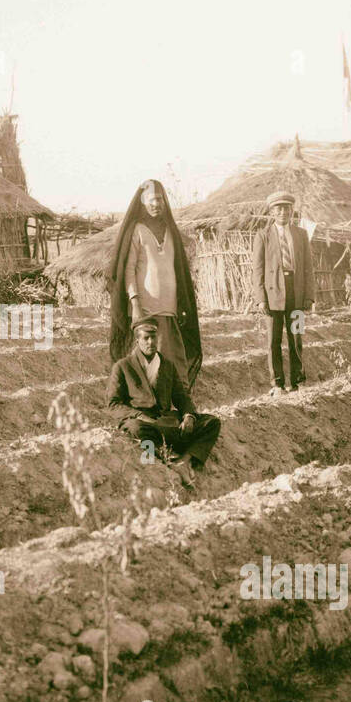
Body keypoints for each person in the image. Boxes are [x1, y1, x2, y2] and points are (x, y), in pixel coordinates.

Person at [107, 178, 202, 389]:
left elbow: (179, 270)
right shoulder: (137, 230)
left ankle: (178, 405)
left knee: (174, 361)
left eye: (159, 199)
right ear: (142, 201)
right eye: (151, 200)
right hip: (146, 310)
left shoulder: (171, 231)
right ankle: (146, 408)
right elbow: (128, 270)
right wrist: (135, 304)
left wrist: (182, 304)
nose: (155, 204)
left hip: (170, 310)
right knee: (146, 364)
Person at [107, 315, 221, 486]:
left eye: (154, 337)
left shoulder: (167, 365)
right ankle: (165, 459)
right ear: (137, 340)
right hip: (144, 424)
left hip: (167, 423)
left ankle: (185, 460)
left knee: (212, 423)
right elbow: (113, 404)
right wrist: (138, 414)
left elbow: (181, 396)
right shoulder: (123, 366)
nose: (150, 342)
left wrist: (189, 415)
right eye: (145, 338)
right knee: (135, 429)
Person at [251, 189, 315, 395]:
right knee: (273, 341)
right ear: (271, 212)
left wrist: (309, 296)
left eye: (287, 208)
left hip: (296, 294)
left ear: (291, 210)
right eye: (278, 209)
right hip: (273, 296)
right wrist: (261, 299)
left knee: (296, 338)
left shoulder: (301, 234)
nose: (283, 212)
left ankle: (298, 381)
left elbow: (308, 268)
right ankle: (277, 384)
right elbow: (257, 269)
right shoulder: (263, 236)